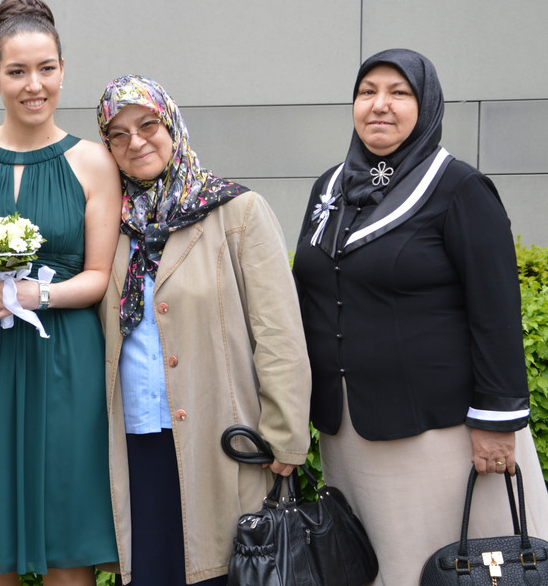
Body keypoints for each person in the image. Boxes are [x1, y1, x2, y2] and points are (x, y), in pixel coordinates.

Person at [292, 48, 548, 586]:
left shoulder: (460, 188)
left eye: (399, 93)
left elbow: (496, 311)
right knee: (377, 569)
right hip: (350, 431)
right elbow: (311, 291)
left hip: (442, 433)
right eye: (367, 92)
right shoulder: (329, 188)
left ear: (426, 104)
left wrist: (498, 422)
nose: (379, 105)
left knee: (447, 569)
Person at [0, 0, 121, 585]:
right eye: (17, 71)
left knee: (65, 535)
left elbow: (98, 276)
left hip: (63, 357)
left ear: (62, 70)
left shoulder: (94, 163)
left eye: (46, 69)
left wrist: (41, 296)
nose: (33, 85)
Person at [96, 75, 312, 586]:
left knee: (221, 571)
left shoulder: (236, 211)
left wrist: (285, 435)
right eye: (118, 134)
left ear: (172, 125)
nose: (135, 142)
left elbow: (278, 331)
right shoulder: (109, 225)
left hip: (222, 439)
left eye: (147, 124)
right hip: (136, 439)